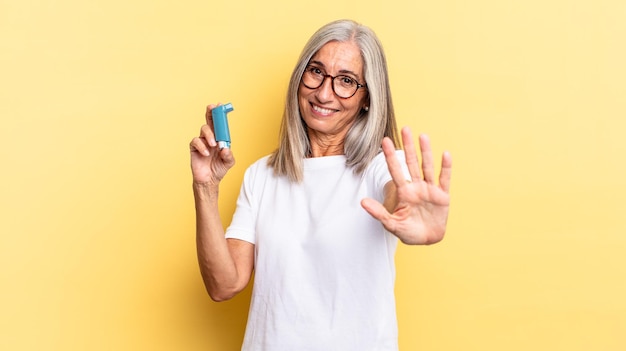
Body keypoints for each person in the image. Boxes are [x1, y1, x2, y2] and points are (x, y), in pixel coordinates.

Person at [189, 19, 452, 351]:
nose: (324, 93)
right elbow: (223, 285)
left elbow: (396, 193)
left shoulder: (383, 165)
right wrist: (206, 186)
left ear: (367, 98)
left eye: (346, 81)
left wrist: (409, 207)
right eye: (316, 72)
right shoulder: (261, 175)